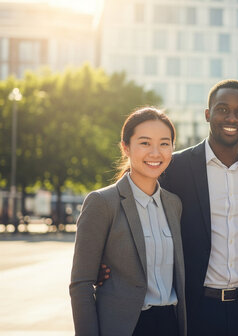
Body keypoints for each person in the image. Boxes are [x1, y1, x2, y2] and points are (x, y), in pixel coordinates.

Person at [159, 80, 238, 336]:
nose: (231, 117)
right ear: (208, 114)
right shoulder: (175, 168)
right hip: (198, 309)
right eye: (222, 109)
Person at [70, 107, 186, 336]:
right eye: (144, 143)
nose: (156, 153)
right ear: (125, 147)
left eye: (164, 143)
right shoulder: (102, 202)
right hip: (127, 327)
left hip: (170, 324)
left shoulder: (174, 204)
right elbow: (81, 284)